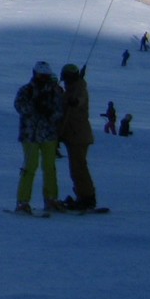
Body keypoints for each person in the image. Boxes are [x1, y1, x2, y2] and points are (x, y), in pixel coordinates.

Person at [13, 61, 65, 214]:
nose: (44, 79)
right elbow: (19, 106)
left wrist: (50, 112)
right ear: (35, 74)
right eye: (42, 76)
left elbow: (60, 110)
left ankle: (51, 199)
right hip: (31, 135)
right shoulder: (26, 90)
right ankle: (23, 202)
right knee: (30, 166)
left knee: (50, 167)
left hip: (48, 134)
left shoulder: (54, 91)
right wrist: (34, 107)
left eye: (46, 76)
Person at [56, 63, 98, 211]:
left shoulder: (78, 88)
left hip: (78, 135)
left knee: (79, 168)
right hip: (73, 135)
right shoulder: (72, 89)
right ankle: (83, 195)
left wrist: (73, 101)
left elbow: (80, 100)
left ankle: (87, 197)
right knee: (76, 168)